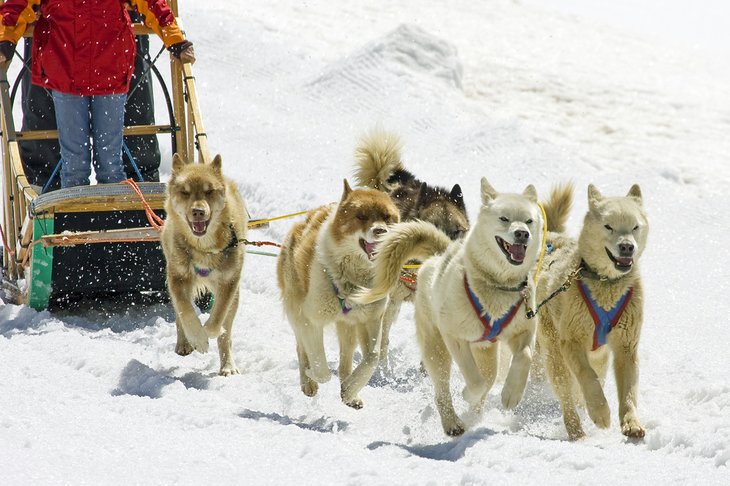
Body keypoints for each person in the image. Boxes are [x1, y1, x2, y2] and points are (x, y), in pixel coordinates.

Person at [0, 0, 195, 189]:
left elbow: (153, 5)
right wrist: (5, 40)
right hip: (75, 75)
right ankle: (78, 214)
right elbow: (17, 6)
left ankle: (104, 214)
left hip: (101, 73)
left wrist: (176, 40)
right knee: (78, 165)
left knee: (107, 164)